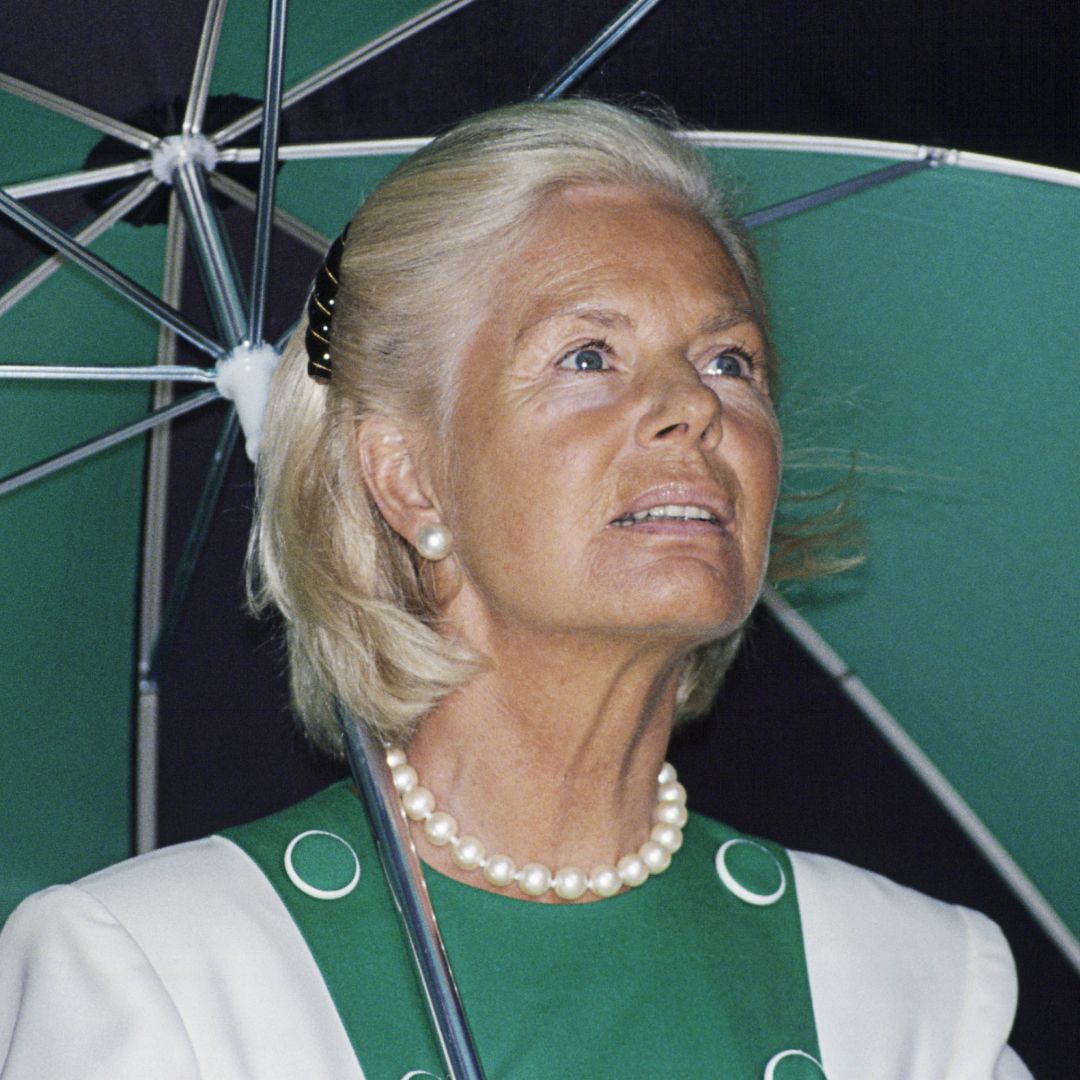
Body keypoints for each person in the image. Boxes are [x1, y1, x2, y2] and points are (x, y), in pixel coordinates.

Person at [0, 99, 1030, 1079]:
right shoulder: (159, 975)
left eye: (730, 361)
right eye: (590, 356)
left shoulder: (921, 993)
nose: (692, 409)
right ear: (409, 477)